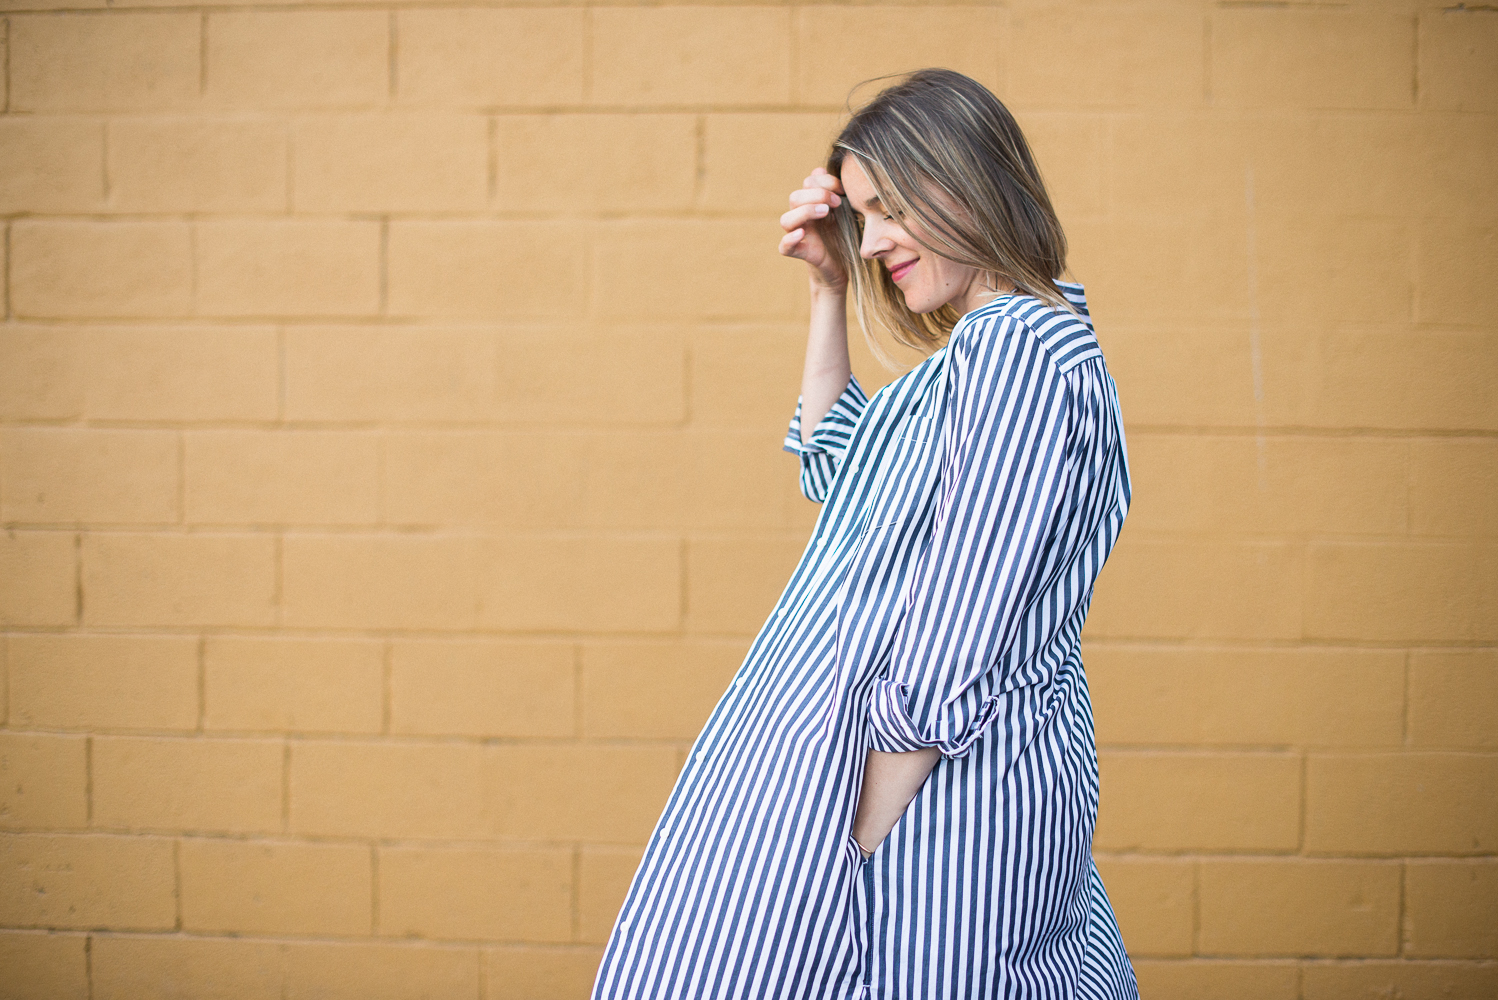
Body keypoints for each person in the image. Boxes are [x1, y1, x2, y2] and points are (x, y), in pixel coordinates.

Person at [592, 68, 1138, 1000]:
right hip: (931, 792)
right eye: (860, 213)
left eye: (890, 208)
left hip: (935, 805)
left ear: (969, 176)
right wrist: (826, 290)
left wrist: (852, 838)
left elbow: (951, 639)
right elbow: (832, 462)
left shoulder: (1014, 352)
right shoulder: (984, 356)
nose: (876, 237)